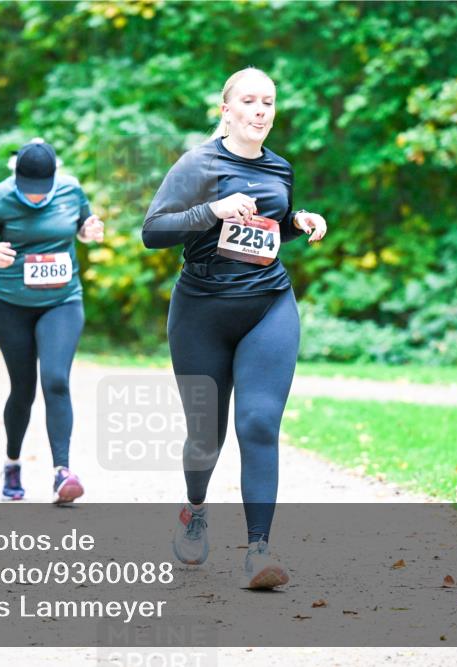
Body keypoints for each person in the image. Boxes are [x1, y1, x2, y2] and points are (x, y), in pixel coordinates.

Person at [142, 67, 328, 590]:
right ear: (226, 110)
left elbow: (270, 228)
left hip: (267, 305)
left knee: (260, 423)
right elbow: (153, 231)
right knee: (206, 436)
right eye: (249, 101)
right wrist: (211, 210)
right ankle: (196, 512)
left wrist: (298, 222)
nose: (261, 110)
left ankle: (258, 552)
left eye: (268, 102)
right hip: (201, 311)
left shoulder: (279, 168)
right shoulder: (197, 164)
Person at [0, 139, 104, 504]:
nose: (36, 198)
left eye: (42, 191)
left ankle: (63, 473)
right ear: (17, 177)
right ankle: (12, 462)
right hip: (10, 306)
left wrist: (89, 231)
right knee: (23, 390)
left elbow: (82, 225)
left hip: (62, 301)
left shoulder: (71, 190)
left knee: (56, 380)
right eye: (29, 191)